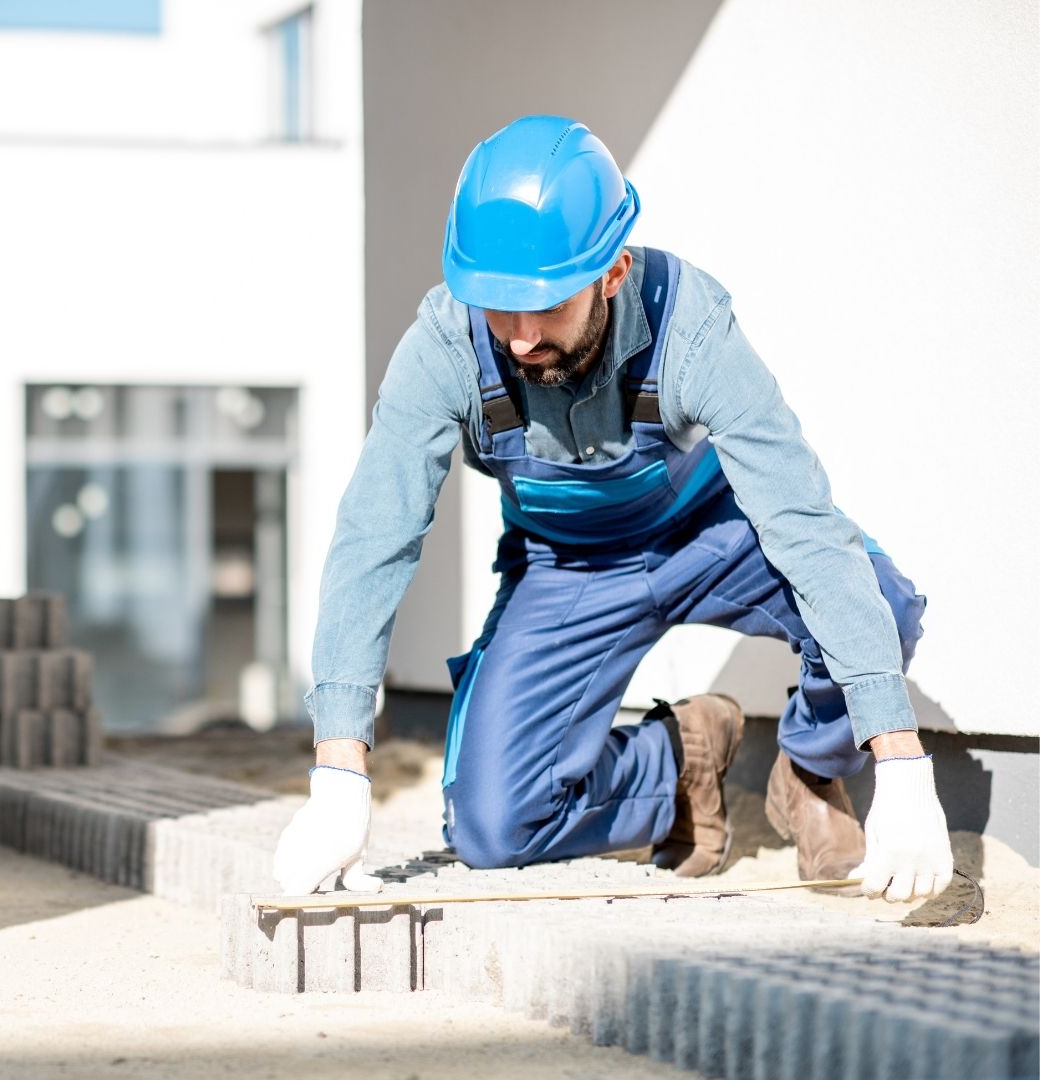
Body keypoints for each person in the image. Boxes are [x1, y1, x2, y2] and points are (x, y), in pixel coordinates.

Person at [274, 115, 954, 903]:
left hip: (714, 537)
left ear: (613, 272)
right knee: (492, 830)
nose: (522, 339)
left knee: (884, 603)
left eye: (547, 306)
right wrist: (338, 768)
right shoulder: (445, 349)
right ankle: (680, 761)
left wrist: (900, 760)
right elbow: (374, 539)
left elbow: (803, 525)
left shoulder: (692, 325)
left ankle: (809, 770)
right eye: (499, 306)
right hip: (568, 567)